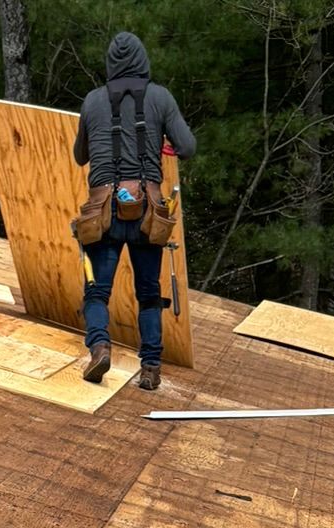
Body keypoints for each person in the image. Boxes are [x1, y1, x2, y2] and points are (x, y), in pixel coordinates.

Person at [73, 32, 195, 389]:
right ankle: (151, 369)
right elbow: (187, 146)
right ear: (142, 61)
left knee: (97, 292)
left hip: (102, 211)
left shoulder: (93, 101)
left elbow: (80, 156)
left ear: (110, 64)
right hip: (147, 211)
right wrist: (164, 141)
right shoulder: (160, 97)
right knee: (148, 293)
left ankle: (99, 348)